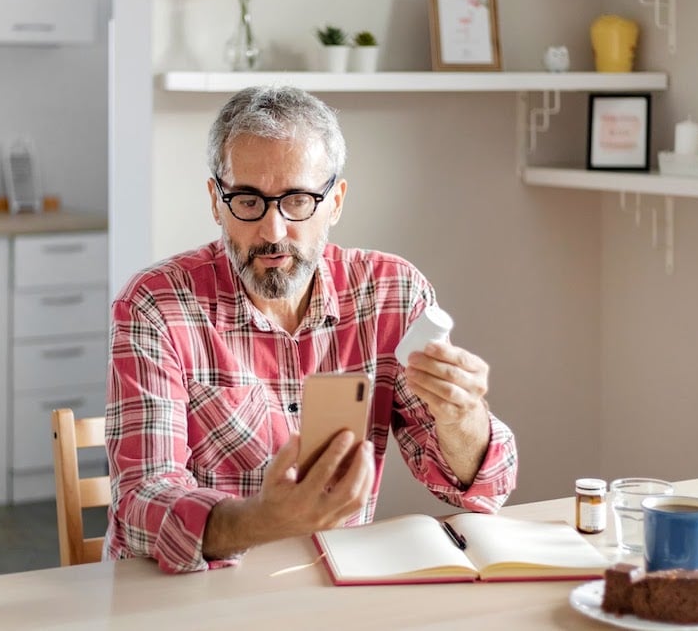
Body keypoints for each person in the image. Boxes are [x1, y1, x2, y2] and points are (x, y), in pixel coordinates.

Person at [104, 85, 518, 573]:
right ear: (216, 201)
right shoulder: (155, 304)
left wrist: (461, 417)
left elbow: (480, 488)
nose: (274, 231)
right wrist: (263, 520)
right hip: (194, 594)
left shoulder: (392, 293)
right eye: (248, 201)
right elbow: (140, 508)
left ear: (335, 202)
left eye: (298, 200)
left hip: (334, 586)